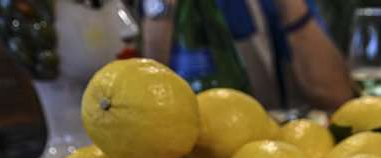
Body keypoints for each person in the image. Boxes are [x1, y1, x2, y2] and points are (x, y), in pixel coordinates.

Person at [142, 0, 353, 111]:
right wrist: (160, 9)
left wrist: (291, 6)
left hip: (258, 151)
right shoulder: (149, 10)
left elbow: (336, 95)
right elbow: (143, 102)